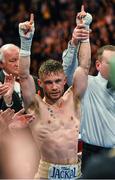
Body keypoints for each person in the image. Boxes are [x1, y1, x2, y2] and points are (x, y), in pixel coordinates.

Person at [18, 6, 91, 179]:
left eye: (58, 81)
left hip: (76, 174)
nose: (54, 87)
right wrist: (26, 43)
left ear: (65, 80)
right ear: (41, 83)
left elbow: (84, 66)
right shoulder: (35, 105)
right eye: (49, 83)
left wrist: (85, 30)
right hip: (46, 175)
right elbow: (23, 75)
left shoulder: (73, 98)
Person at [62, 8, 115, 173]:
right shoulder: (88, 84)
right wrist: (74, 43)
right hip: (92, 154)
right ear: (98, 65)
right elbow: (68, 72)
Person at [0, 47, 40, 178]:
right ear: (1, 63)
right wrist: (8, 100)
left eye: (20, 59)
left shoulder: (34, 80)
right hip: (7, 147)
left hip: (35, 145)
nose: (18, 63)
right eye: (13, 60)